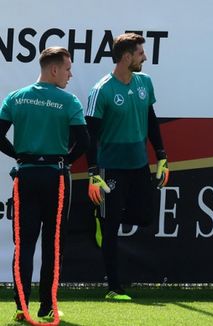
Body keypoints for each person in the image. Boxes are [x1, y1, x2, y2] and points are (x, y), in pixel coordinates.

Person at [0, 47, 89, 322]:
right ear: (54, 69)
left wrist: (20, 155)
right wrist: (65, 161)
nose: (70, 74)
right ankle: (47, 307)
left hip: (25, 176)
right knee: (53, 244)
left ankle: (21, 307)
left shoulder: (16, 98)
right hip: (56, 178)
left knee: (24, 244)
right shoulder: (68, 101)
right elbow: (84, 142)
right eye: (67, 69)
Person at [85, 33, 169, 301]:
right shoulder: (102, 90)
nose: (144, 57)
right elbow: (90, 135)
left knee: (144, 216)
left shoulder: (145, 83)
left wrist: (162, 155)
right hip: (111, 169)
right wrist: (93, 172)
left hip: (139, 165)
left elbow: (152, 121)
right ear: (126, 56)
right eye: (140, 53)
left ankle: (103, 216)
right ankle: (114, 287)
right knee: (111, 229)